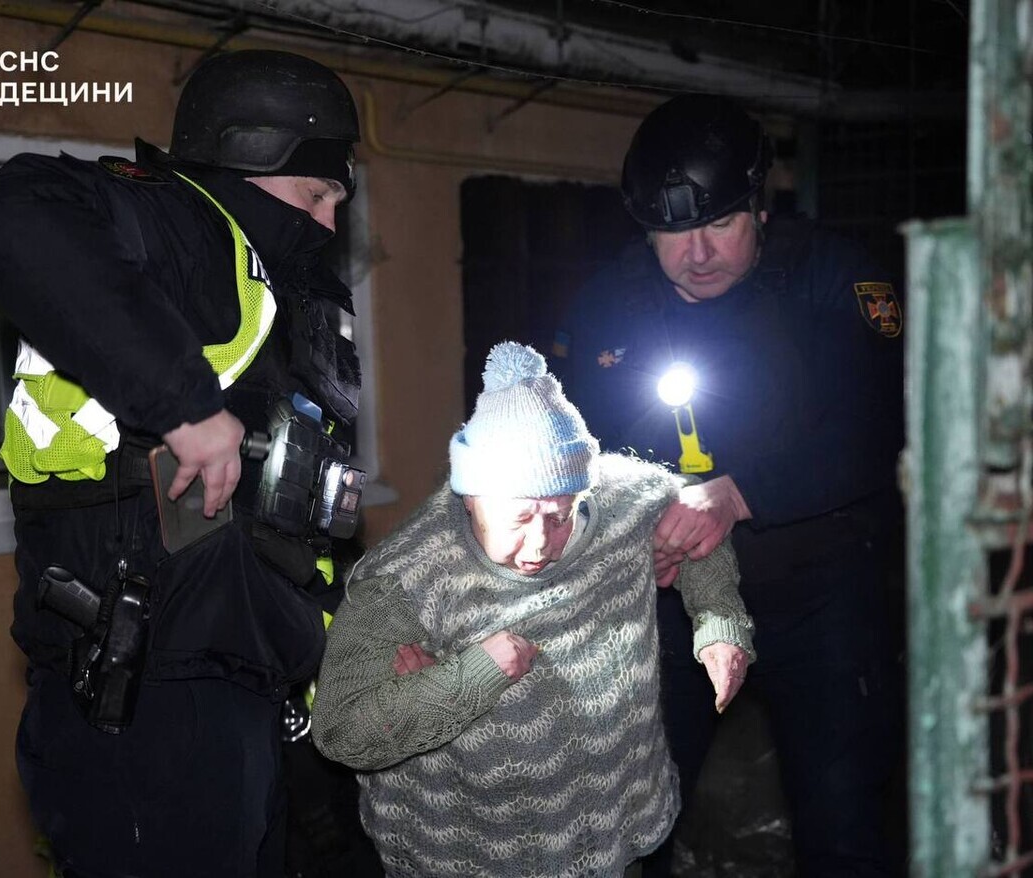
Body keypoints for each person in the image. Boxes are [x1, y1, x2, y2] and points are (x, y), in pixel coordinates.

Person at [0, 50, 364, 877]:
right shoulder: (176, 223)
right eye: (315, 194)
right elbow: (14, 217)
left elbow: (290, 520)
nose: (327, 224)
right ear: (247, 162)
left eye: (337, 204)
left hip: (252, 683)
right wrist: (183, 403)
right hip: (152, 692)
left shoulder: (282, 289)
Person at [556, 94, 905, 876]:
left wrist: (740, 494)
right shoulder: (608, 304)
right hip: (670, 598)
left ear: (759, 207)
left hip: (818, 594)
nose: (699, 252)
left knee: (843, 822)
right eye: (674, 232)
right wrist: (619, 532)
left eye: (720, 224)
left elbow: (878, 430)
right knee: (630, 822)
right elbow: (573, 450)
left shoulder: (830, 280)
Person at [310, 341, 756, 878]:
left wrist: (718, 619)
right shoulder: (406, 580)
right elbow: (339, 729)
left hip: (613, 826)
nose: (541, 544)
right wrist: (468, 677)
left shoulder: (620, 499)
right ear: (470, 496)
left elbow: (695, 516)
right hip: (471, 856)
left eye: (559, 515)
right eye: (519, 518)